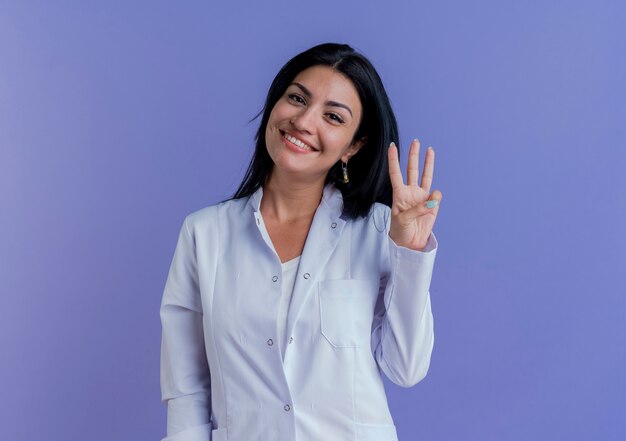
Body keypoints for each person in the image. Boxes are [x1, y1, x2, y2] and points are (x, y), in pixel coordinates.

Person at [159, 42, 442, 441]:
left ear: (354, 146)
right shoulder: (204, 234)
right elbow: (186, 389)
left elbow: (406, 368)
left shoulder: (380, 231)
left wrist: (409, 255)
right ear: (275, 104)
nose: (305, 122)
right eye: (296, 98)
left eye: (332, 116)